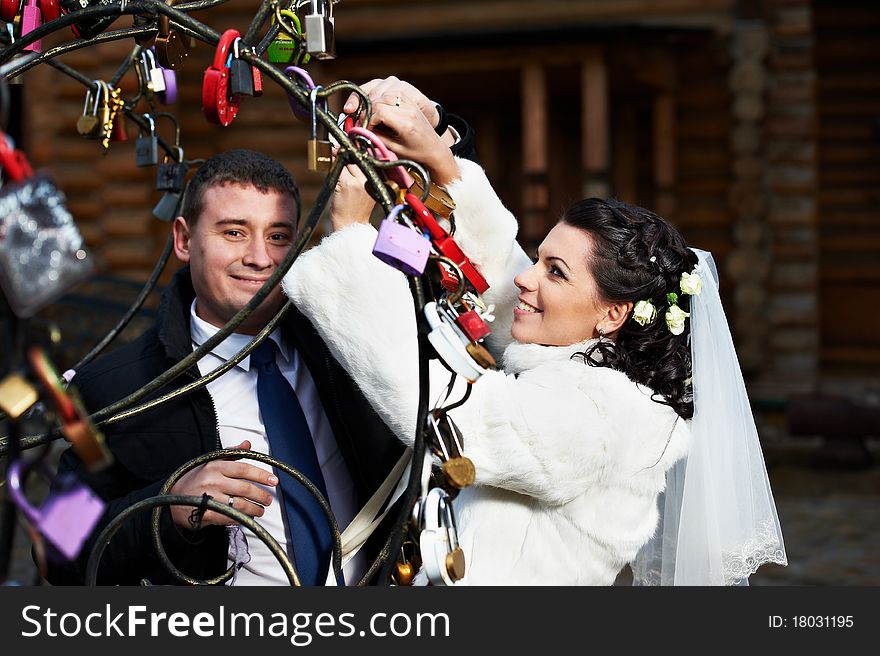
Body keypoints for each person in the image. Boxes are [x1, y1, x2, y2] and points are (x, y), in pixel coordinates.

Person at [281, 80, 788, 585]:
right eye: (539, 258)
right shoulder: (580, 365)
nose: (528, 276)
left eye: (555, 271)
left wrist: (350, 238)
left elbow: (458, 419)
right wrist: (442, 165)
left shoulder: (608, 412)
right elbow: (502, 285)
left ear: (613, 314)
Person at [45, 138, 475, 586]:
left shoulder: (346, 345)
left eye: (278, 237)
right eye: (234, 232)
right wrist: (167, 506)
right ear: (184, 240)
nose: (259, 258)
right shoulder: (114, 388)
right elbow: (59, 550)